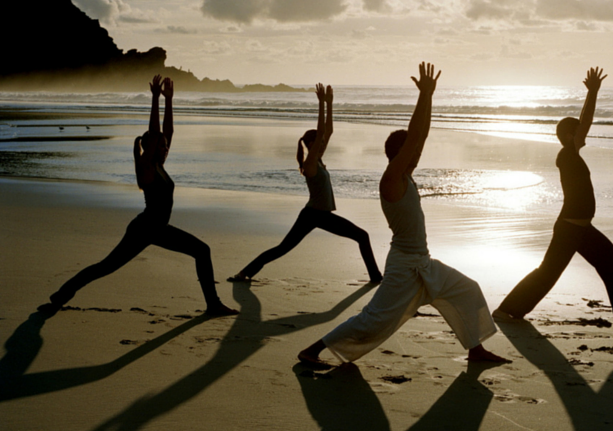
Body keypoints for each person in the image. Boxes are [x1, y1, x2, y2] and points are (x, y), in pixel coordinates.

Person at [298, 63, 508, 367]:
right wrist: (422, 96)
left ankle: (475, 350)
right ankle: (312, 351)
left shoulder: (406, 176)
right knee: (373, 319)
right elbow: (413, 140)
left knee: (467, 289)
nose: (418, 153)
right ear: (398, 155)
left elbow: (420, 135)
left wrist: (430, 96)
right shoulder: (391, 178)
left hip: (423, 262)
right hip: (403, 268)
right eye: (411, 151)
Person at [38, 75, 237, 317]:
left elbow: (167, 130)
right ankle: (59, 297)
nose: (166, 148)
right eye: (161, 145)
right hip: (146, 228)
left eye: (166, 146)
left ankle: (212, 304)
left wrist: (169, 100)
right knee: (105, 267)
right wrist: (154, 99)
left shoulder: (159, 165)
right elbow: (155, 132)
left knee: (199, 251)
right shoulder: (147, 166)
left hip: (153, 227)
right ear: (151, 147)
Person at [493, 67, 613, 323]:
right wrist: (592, 93)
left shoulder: (572, 154)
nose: (584, 133)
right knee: (548, 273)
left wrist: (591, 93)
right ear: (570, 136)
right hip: (569, 228)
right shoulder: (567, 154)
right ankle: (506, 310)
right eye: (579, 132)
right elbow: (586, 120)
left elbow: (582, 124)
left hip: (582, 229)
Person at [229, 83, 382, 283]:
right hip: (313, 215)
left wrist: (329, 104)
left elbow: (329, 130)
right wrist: (320, 104)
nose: (324, 142)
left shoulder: (317, 159)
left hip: (319, 215)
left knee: (360, 237)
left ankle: (375, 277)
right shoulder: (310, 163)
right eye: (319, 141)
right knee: (283, 248)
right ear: (312, 144)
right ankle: (376, 278)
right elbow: (321, 131)